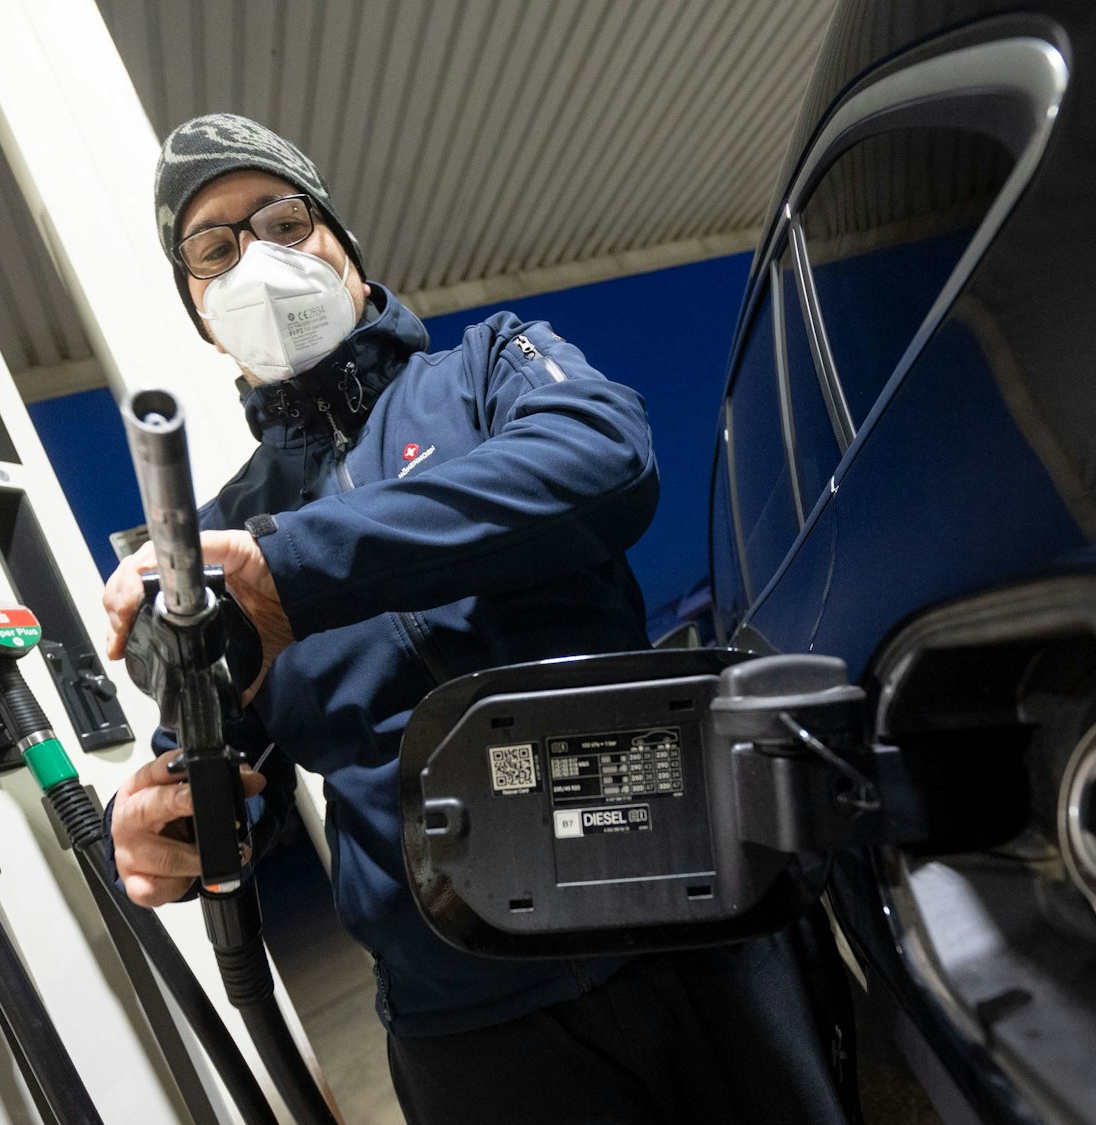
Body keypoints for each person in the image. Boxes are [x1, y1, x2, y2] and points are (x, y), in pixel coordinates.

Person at [101, 113, 851, 1125]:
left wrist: (302, 566)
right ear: (198, 311)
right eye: (215, 249)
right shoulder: (220, 532)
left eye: (282, 221)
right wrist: (179, 819)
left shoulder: (491, 366)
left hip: (686, 927)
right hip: (468, 1018)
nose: (257, 263)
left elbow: (601, 466)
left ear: (347, 254)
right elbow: (230, 766)